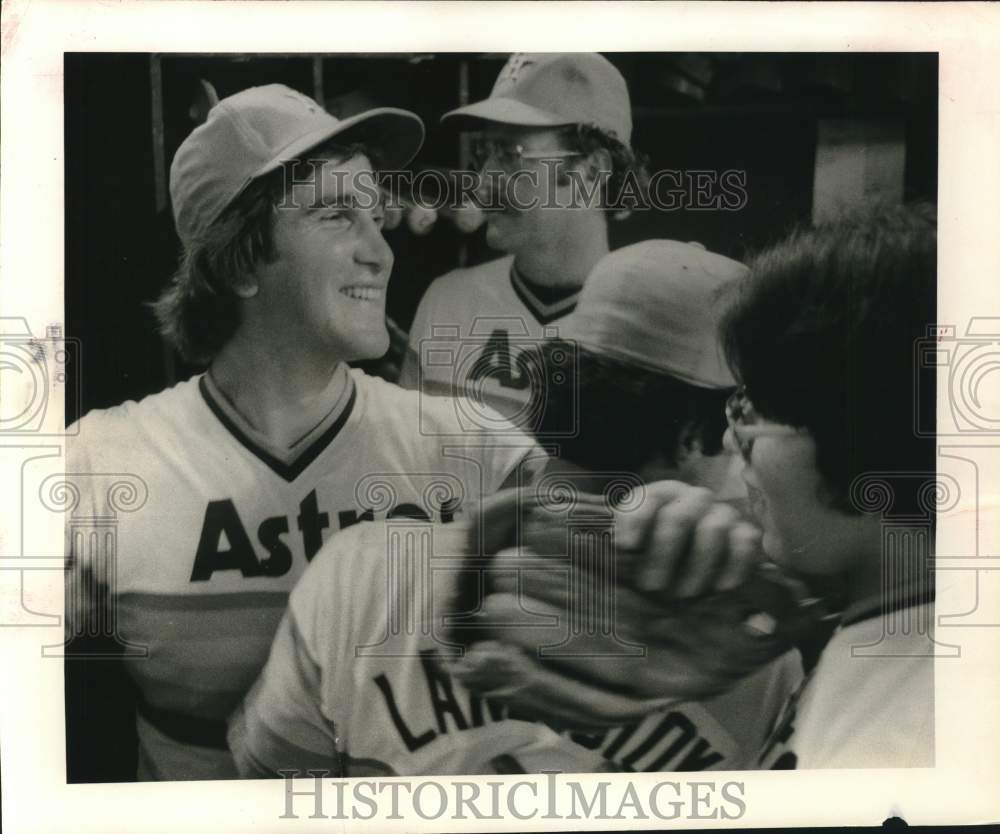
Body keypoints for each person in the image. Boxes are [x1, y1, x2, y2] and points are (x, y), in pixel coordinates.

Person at [65, 84, 540, 781]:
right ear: (238, 262)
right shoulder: (101, 468)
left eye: (373, 214)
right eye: (336, 215)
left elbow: (621, 554)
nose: (380, 252)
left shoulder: (467, 447)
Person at [227, 239, 803, 776]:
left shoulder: (355, 570)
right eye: (742, 421)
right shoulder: (752, 645)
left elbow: (267, 781)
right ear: (688, 434)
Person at [719, 203, 937, 769]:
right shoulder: (895, 626)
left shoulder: (907, 740)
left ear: (858, 428)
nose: (731, 443)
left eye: (754, 409)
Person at [398, 52, 647, 429]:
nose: (484, 180)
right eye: (485, 152)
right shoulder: (447, 302)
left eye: (510, 155)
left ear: (590, 171)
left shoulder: (650, 327)